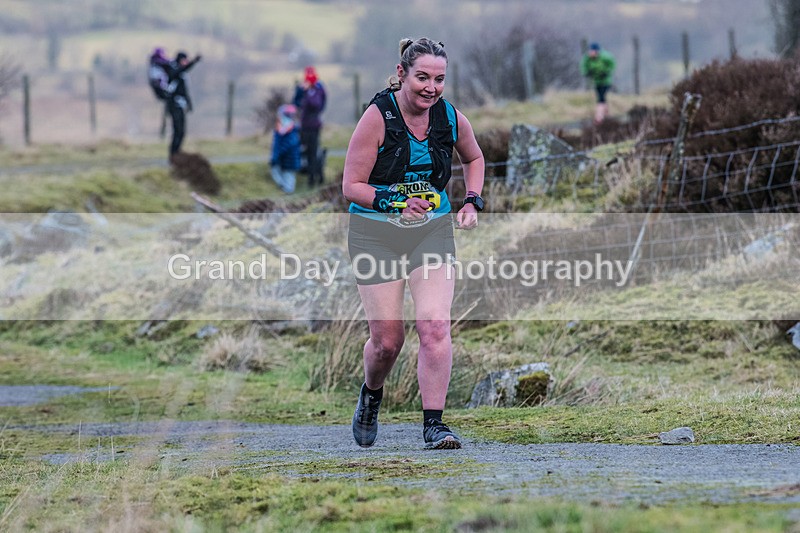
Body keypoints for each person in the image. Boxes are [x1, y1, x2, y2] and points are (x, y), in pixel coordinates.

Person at [342, 37, 485, 450]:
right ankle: (371, 394)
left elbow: (473, 159)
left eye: (439, 79)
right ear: (402, 73)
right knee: (388, 342)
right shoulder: (377, 117)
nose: (431, 87)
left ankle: (434, 425)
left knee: (435, 324)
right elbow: (351, 186)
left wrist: (472, 202)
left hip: (431, 229)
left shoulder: (450, 117)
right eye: (422, 77)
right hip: (376, 232)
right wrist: (393, 202)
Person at [293, 66, 326, 186]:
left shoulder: (319, 88)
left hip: (313, 126)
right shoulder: (302, 89)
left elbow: (320, 104)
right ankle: (307, 174)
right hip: (305, 125)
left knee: (313, 151)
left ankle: (314, 176)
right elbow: (296, 101)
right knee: (304, 150)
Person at [165, 51, 201, 160]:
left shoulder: (182, 75)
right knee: (177, 130)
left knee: (181, 131)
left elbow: (184, 91)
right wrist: (193, 62)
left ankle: (177, 153)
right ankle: (173, 154)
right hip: (174, 105)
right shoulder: (173, 71)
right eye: (184, 60)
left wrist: (189, 104)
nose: (186, 62)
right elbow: (181, 70)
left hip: (180, 105)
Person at [580, 42, 616, 124]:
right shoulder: (587, 58)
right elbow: (583, 66)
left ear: (597, 51)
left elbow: (613, 63)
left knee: (601, 98)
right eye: (590, 51)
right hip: (596, 81)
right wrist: (587, 72)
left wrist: (607, 71)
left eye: (593, 51)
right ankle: (607, 115)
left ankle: (599, 117)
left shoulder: (605, 57)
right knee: (602, 97)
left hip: (606, 80)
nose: (591, 53)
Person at [270, 104, 301, 194]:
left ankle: (288, 191)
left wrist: (278, 155)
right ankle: (286, 189)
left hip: (289, 159)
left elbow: (287, 145)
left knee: (289, 175)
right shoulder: (280, 129)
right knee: (280, 172)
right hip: (283, 158)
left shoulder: (291, 130)